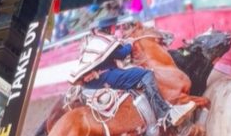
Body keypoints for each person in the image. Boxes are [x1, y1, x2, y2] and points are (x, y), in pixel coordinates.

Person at [68, 29, 196, 128]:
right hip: (107, 76)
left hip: (94, 82)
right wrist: (129, 44)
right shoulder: (104, 40)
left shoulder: (93, 41)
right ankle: (164, 114)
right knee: (145, 74)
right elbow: (122, 54)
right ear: (108, 28)